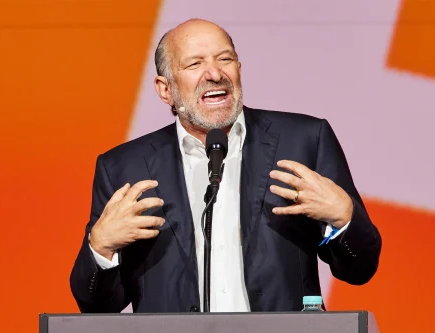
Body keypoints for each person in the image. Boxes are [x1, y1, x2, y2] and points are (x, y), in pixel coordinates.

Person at [70, 18, 382, 313]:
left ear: (239, 68)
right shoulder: (124, 167)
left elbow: (359, 269)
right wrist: (101, 248)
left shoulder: (304, 140)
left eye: (225, 59)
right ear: (166, 89)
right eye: (195, 64)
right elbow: (97, 307)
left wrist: (345, 218)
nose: (215, 74)